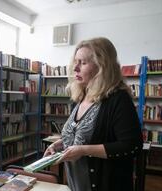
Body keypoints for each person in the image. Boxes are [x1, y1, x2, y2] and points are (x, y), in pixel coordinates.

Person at [43, 37, 143, 191]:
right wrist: (60, 144)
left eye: (83, 63)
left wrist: (84, 150)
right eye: (75, 61)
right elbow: (81, 135)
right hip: (76, 184)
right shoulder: (81, 96)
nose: (75, 68)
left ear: (103, 66)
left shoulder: (118, 99)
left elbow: (132, 146)